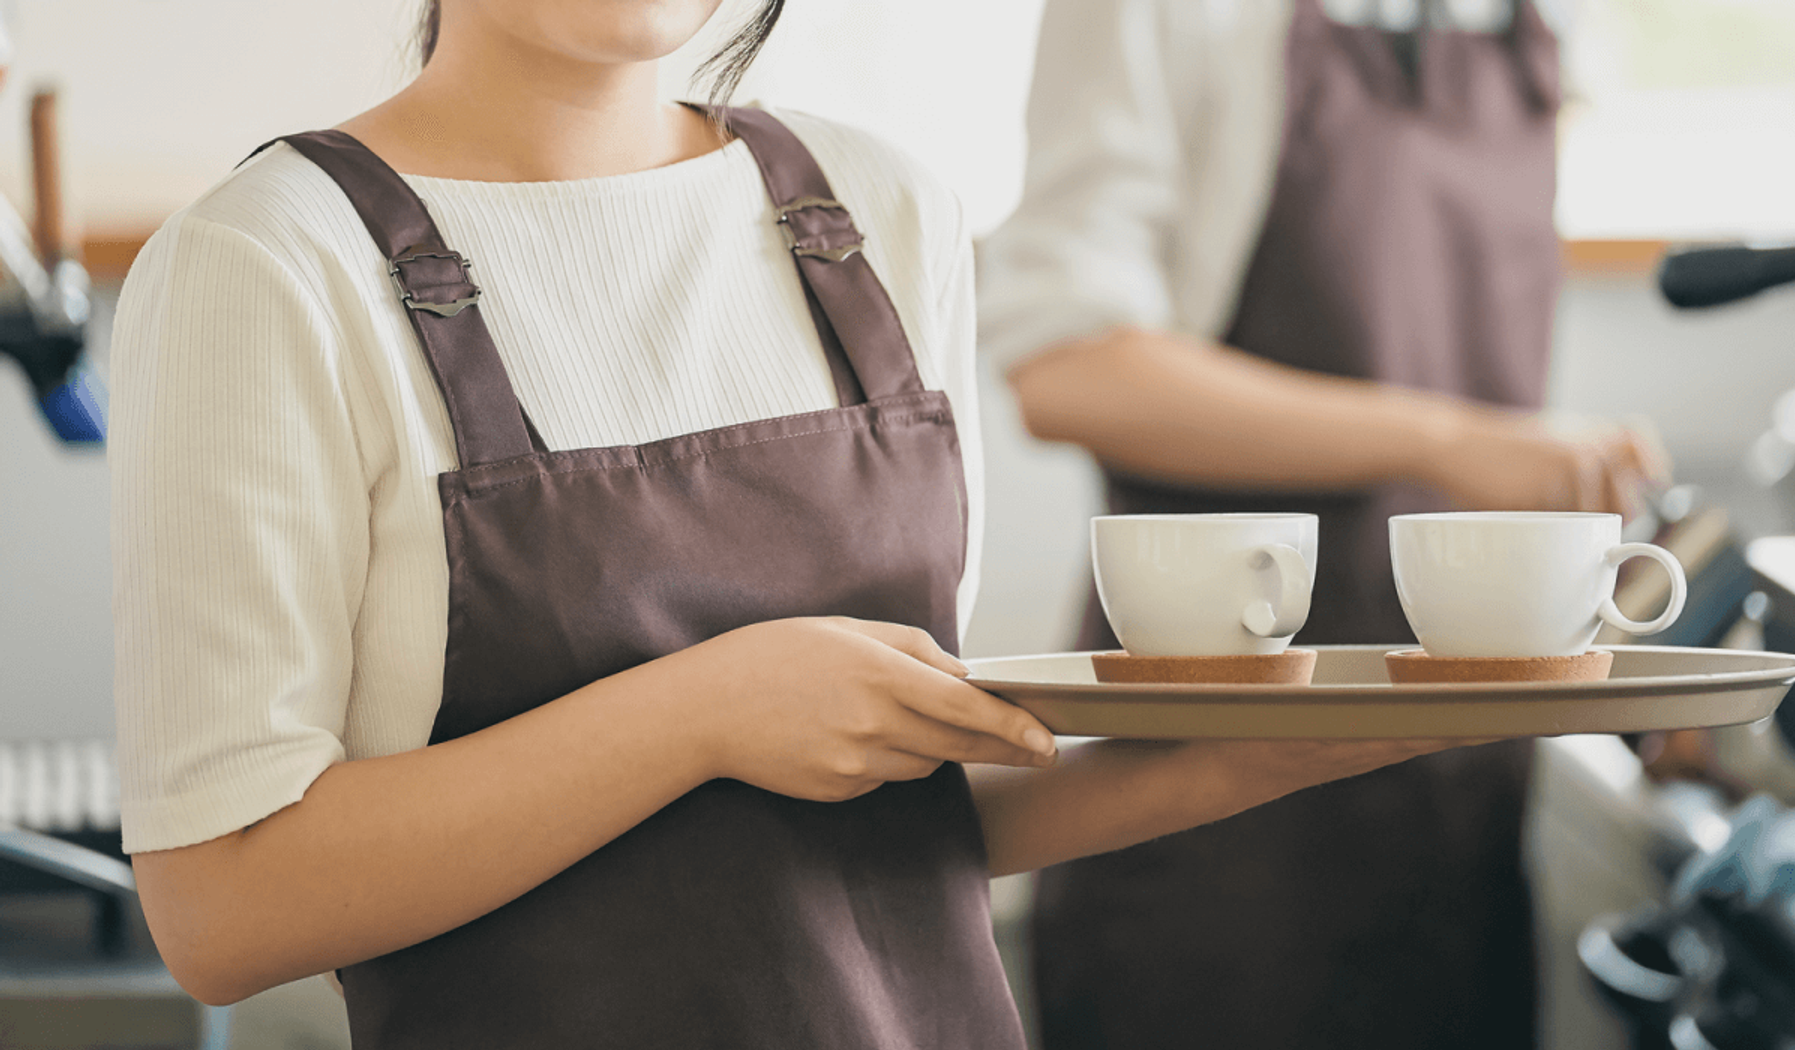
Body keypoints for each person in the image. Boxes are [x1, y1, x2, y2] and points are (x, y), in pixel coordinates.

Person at [109, 2, 1482, 1047]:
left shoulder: (879, 216)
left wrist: (1255, 755)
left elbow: (885, 807)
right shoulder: (268, 266)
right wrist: (701, 711)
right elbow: (224, 905)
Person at [976, 0, 1666, 1047]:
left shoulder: (1529, 22)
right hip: (1214, 824)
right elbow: (1072, 370)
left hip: (1456, 798)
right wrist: (1443, 439)